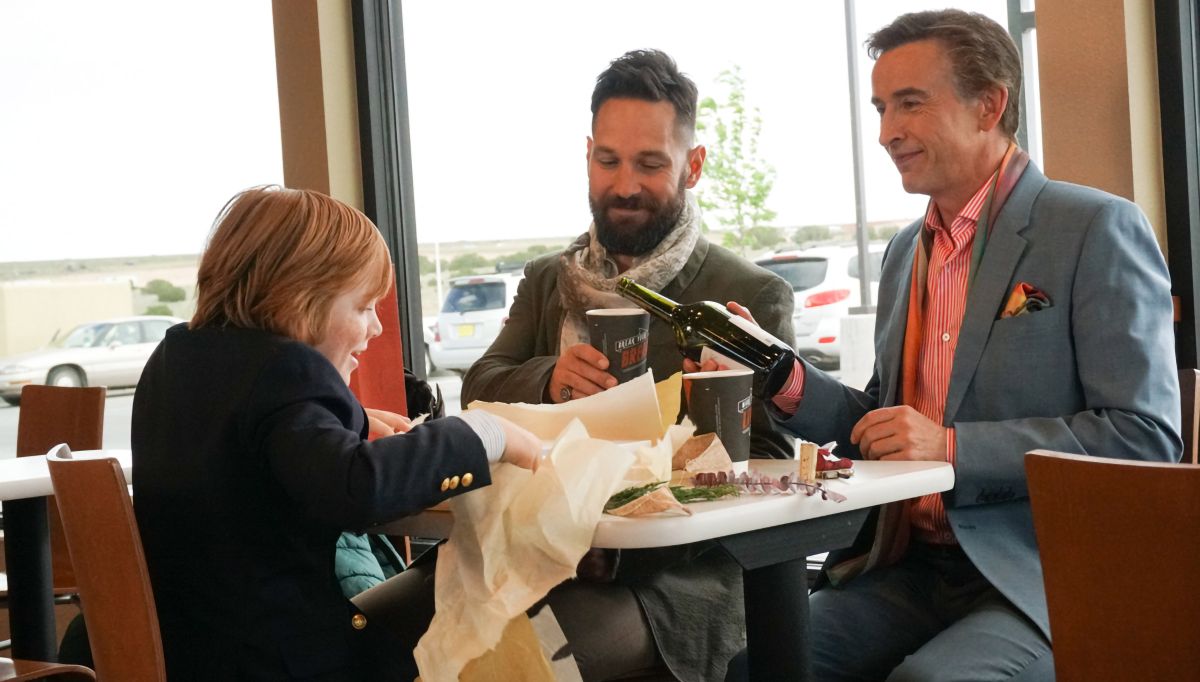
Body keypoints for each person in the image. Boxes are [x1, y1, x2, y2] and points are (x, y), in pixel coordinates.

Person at [728, 10, 1179, 681]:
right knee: (762, 666)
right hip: (911, 566)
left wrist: (952, 447)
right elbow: (882, 425)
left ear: (989, 105)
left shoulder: (1095, 228)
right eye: (881, 108)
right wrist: (782, 375)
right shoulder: (905, 253)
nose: (886, 132)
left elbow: (1144, 438)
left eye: (910, 103)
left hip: (1041, 572)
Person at [459, 49, 796, 681]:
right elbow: (479, 389)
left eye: (650, 164)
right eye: (609, 161)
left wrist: (701, 428)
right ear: (587, 155)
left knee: (521, 663)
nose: (625, 186)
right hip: (530, 549)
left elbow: (772, 457)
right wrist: (550, 380)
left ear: (693, 165)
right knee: (382, 631)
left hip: (674, 579)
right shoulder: (547, 280)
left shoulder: (748, 293)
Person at [131, 186, 541, 681]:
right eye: (364, 308)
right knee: (497, 592)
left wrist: (354, 420)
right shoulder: (287, 370)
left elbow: (241, 436)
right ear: (301, 299)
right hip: (291, 661)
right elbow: (358, 488)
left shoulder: (175, 358)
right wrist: (480, 434)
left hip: (204, 653)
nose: (376, 329)